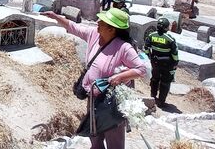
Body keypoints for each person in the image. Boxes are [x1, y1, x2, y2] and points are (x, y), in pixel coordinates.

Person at [42, 9, 146, 149]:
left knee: (114, 141)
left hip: (112, 103)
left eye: (102, 22)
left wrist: (120, 77)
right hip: (94, 100)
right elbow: (73, 27)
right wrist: (56, 17)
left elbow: (141, 70)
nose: (98, 23)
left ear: (112, 29)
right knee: (95, 136)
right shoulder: (94, 35)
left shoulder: (124, 48)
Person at [145, 18, 179, 107]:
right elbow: (175, 54)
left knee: (155, 79)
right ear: (166, 28)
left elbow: (146, 48)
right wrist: (175, 63)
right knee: (165, 82)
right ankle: (161, 102)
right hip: (167, 65)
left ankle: (153, 96)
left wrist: (150, 57)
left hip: (155, 63)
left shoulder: (151, 36)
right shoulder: (170, 39)